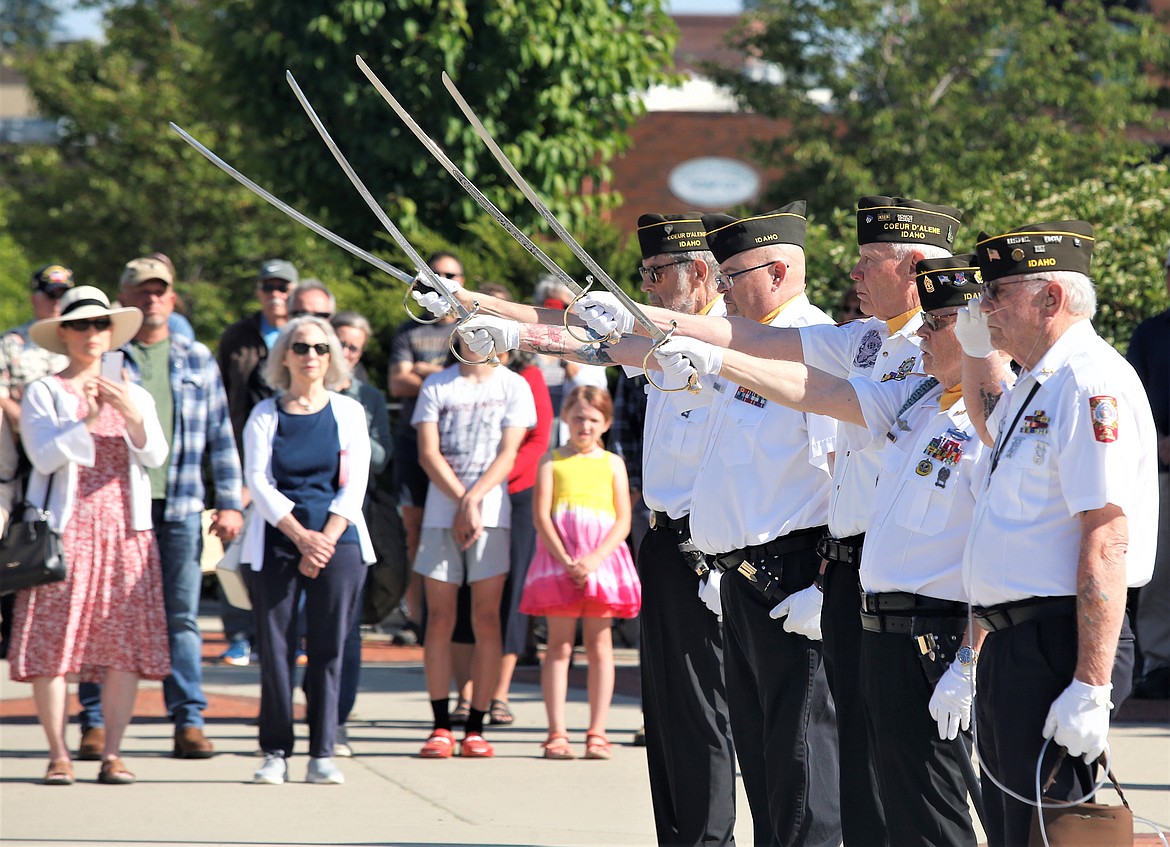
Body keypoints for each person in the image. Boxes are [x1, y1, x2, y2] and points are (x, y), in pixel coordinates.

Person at [576, 195, 963, 847]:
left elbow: (818, 450)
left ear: (917, 265)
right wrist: (647, 326)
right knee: (812, 765)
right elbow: (754, 344)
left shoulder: (930, 360)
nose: (856, 272)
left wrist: (815, 576)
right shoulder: (868, 340)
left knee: (856, 771)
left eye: (871, 260)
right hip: (816, 575)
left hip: (853, 575)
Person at [656, 254, 994, 846]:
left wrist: (969, 658)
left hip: (943, 628)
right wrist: (718, 360)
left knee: (942, 805)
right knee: (876, 791)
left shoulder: (995, 420)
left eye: (936, 325)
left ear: (972, 333)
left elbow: (1001, 554)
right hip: (874, 607)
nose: (922, 334)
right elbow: (818, 395)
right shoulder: (918, 402)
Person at [957, 220, 1157, 847]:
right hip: (1016, 642)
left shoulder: (1090, 381)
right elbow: (990, 424)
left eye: (998, 292)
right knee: (1015, 832)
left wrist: (1092, 686)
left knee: (1052, 832)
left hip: (1060, 639)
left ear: (1051, 298)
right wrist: (972, 348)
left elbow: (1107, 536)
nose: (983, 305)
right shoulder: (1038, 382)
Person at [74, 258, 244, 762]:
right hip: (112, 505)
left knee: (182, 619)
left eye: (159, 292)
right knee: (100, 615)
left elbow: (220, 435)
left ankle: (188, 720)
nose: (151, 299)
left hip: (181, 503)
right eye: (141, 291)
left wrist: (230, 501)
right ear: (123, 296)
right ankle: (94, 721)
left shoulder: (197, 356)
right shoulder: (106, 359)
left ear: (172, 299)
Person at [8, 286, 169, 786]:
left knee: (122, 647)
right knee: (54, 647)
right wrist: (93, 417)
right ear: (63, 334)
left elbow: (156, 456)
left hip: (125, 528)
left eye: (100, 325)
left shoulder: (133, 389)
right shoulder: (45, 390)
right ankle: (58, 753)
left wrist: (134, 414)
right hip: (65, 529)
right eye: (80, 325)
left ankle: (112, 753)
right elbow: (43, 456)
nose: (92, 334)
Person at [241, 316, 374, 786]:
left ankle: (322, 752)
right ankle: (275, 750)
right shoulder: (265, 414)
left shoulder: (349, 412)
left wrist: (326, 539)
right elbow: (258, 481)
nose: (311, 355)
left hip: (339, 540)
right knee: (275, 650)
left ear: (332, 355)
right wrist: (301, 537)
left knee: (328, 648)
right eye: (300, 347)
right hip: (279, 539)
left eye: (320, 347)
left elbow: (355, 483)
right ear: (285, 356)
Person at [413, 335, 535, 759]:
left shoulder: (513, 385)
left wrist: (473, 500)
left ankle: (477, 727)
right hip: (439, 515)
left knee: (486, 619)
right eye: (468, 330)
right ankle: (441, 725)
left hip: (492, 515)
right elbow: (428, 454)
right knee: (440, 619)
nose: (476, 338)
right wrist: (460, 501)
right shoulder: (437, 385)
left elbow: (509, 453)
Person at [521, 385, 639, 760]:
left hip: (602, 564)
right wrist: (567, 559)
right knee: (558, 647)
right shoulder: (551, 460)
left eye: (592, 419)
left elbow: (623, 519)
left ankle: (597, 731)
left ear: (605, 423)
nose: (584, 426)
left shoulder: (613, 464)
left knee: (600, 646)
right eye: (577, 418)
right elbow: (541, 516)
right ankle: (556, 731)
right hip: (560, 562)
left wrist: (593, 560)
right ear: (565, 419)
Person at [216, 258, 299, 666]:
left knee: (292, 544)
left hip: (294, 455)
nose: (276, 295)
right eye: (268, 287)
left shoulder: (306, 334)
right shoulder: (238, 336)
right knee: (237, 546)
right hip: (244, 451)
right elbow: (223, 398)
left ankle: (293, 635)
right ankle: (239, 634)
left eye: (283, 287)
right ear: (258, 292)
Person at [389, 251, 464, 643]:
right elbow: (397, 384)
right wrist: (448, 376)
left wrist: (423, 371)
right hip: (413, 441)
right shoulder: (410, 330)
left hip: (462, 446)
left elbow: (488, 370)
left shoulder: (471, 326)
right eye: (435, 275)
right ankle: (416, 618)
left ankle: (453, 618)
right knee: (414, 530)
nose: (443, 280)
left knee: (462, 525)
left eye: (450, 275)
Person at [0, 264, 73, 664]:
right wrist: (28, 422)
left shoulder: (78, 338)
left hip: (66, 457)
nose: (56, 300)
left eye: (63, 293)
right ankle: (12, 629)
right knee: (18, 542)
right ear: (35, 297)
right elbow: (1, 393)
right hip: (20, 456)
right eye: (50, 293)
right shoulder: (14, 343)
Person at [329, 310, 393, 755]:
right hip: (299, 517)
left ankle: (336, 721)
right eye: (338, 343)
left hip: (352, 516)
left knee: (346, 628)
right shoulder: (293, 391)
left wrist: (348, 416)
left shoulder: (367, 397)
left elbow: (382, 459)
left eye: (353, 347)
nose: (344, 354)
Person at [1126, 245, 1170, 700]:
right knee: (1160, 576)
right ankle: (1159, 664)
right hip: (1162, 466)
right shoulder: (1151, 332)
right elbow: (1131, 396)